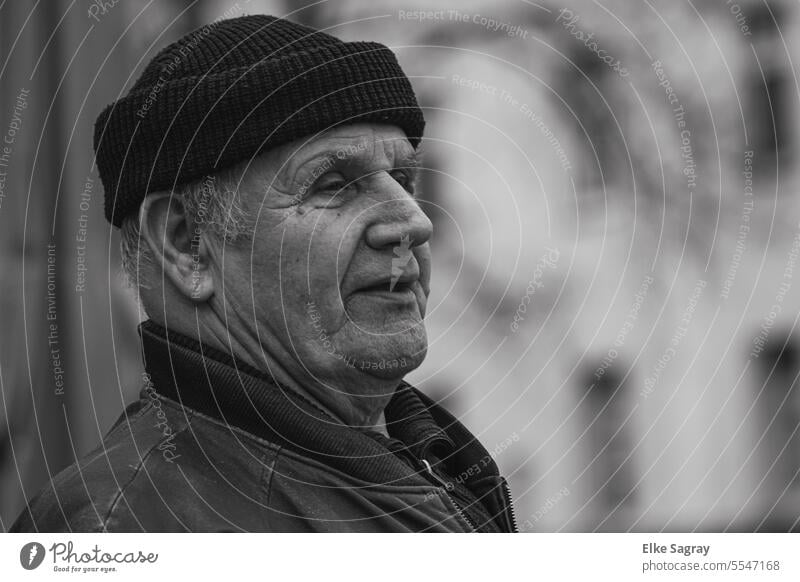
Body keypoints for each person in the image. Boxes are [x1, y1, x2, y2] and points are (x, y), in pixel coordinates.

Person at [12, 14, 516, 532]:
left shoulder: (435, 456)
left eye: (404, 178)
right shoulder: (121, 530)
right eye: (333, 183)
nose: (414, 220)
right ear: (187, 243)